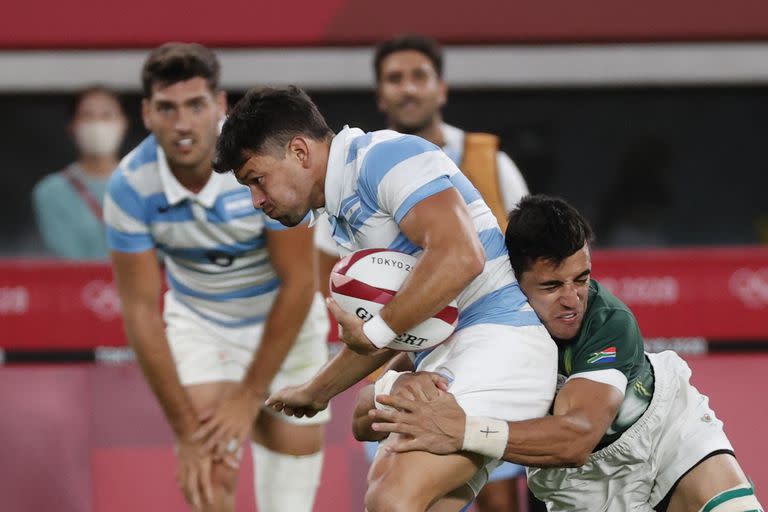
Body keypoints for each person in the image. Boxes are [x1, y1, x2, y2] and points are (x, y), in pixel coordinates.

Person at [213, 85, 557, 512]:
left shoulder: (384, 157)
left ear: (300, 152)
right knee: (394, 493)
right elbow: (389, 327)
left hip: (503, 341)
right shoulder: (342, 211)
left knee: (392, 496)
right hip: (450, 352)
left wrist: (376, 332)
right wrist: (316, 391)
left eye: (256, 180)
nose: (256, 201)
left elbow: (459, 256)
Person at [366, 195, 764, 512]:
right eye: (552, 285)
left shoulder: (608, 321)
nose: (573, 300)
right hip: (578, 487)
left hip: (664, 436)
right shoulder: (477, 327)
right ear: (515, 282)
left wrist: (464, 429)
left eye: (582, 278)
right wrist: (402, 381)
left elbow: (576, 439)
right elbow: (361, 419)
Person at [104, 44, 329, 512]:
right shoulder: (129, 186)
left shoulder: (260, 161)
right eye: (167, 108)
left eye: (195, 105)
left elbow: (299, 284)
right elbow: (142, 312)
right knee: (208, 478)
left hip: (284, 316)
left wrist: (250, 395)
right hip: (202, 322)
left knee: (289, 503)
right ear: (146, 113)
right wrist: (186, 432)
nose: (183, 124)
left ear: (220, 105)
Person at [32, 85, 127, 259]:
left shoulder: (148, 185)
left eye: (106, 115)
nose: (98, 124)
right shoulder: (51, 192)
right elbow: (68, 258)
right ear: (73, 125)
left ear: (123, 123)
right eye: (88, 116)